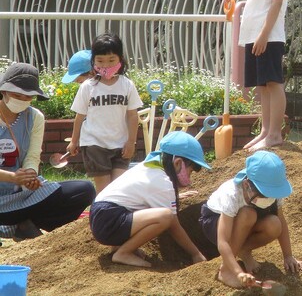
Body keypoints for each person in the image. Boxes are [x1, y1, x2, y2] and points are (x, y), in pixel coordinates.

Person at [0, 63, 95, 241]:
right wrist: (11, 177)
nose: (22, 99)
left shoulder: (35, 117)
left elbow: (33, 157)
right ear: (4, 91)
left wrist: (30, 176)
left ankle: (22, 222)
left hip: (21, 194)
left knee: (84, 190)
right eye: (16, 95)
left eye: (27, 96)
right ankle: (18, 223)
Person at [222, 0, 292, 151]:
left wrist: (263, 35)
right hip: (255, 34)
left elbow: (276, 2)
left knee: (274, 83)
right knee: (262, 86)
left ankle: (274, 133)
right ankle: (265, 131)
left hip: (268, 36)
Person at [89, 131, 209, 267]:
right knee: (166, 216)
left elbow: (138, 196)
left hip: (102, 215)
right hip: (108, 220)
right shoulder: (161, 181)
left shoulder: (150, 167)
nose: (190, 176)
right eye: (191, 171)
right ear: (177, 163)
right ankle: (123, 253)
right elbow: (173, 224)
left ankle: (120, 247)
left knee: (161, 213)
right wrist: (195, 254)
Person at [199, 150, 302, 288]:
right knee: (248, 214)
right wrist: (237, 272)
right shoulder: (232, 194)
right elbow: (222, 241)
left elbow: (281, 221)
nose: (268, 199)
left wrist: (288, 255)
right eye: (264, 194)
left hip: (246, 222)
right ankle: (225, 270)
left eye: (271, 195)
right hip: (215, 222)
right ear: (247, 185)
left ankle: (243, 250)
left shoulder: (273, 190)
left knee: (274, 224)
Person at [67, 33, 143, 192]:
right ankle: (102, 215)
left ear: (120, 60)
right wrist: (74, 141)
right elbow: (79, 116)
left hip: (120, 144)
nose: (106, 65)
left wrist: (131, 142)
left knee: (119, 188)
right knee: (105, 191)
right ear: (93, 61)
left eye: (111, 60)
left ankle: (115, 215)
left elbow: (132, 115)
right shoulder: (87, 87)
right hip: (95, 145)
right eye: (100, 61)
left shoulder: (127, 85)